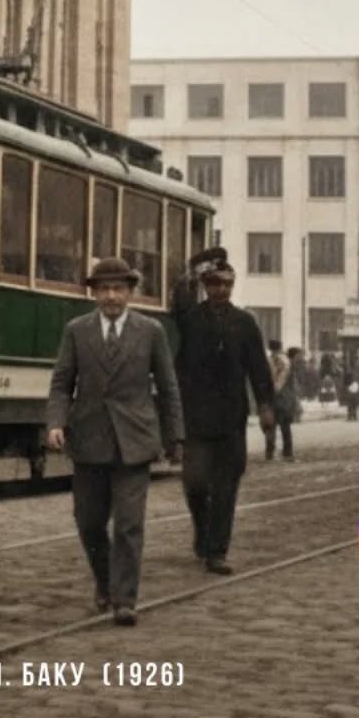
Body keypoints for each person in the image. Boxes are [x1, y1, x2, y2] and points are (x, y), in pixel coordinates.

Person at [47, 256, 183, 627]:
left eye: (118, 289)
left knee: (128, 524)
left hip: (134, 442)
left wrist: (175, 436)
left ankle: (125, 600)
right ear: (93, 294)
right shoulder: (77, 331)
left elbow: (168, 387)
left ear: (130, 292)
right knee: (89, 523)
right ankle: (105, 582)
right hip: (89, 439)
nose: (111, 296)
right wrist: (56, 423)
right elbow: (61, 383)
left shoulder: (151, 331)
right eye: (104, 289)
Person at [172, 248, 275, 576]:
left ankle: (217, 551)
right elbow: (178, 297)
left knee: (226, 487)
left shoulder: (245, 323)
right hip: (196, 418)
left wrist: (265, 404)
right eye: (215, 283)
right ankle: (202, 532)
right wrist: (191, 270)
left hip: (231, 419)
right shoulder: (190, 319)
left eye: (227, 284)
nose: (221, 290)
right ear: (205, 285)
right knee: (195, 483)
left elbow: (258, 368)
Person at [264, 340, 295, 462]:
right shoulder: (285, 360)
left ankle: (270, 452)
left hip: (273, 395)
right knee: (284, 425)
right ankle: (287, 451)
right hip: (282, 396)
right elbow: (283, 378)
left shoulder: (269, 360)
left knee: (271, 425)